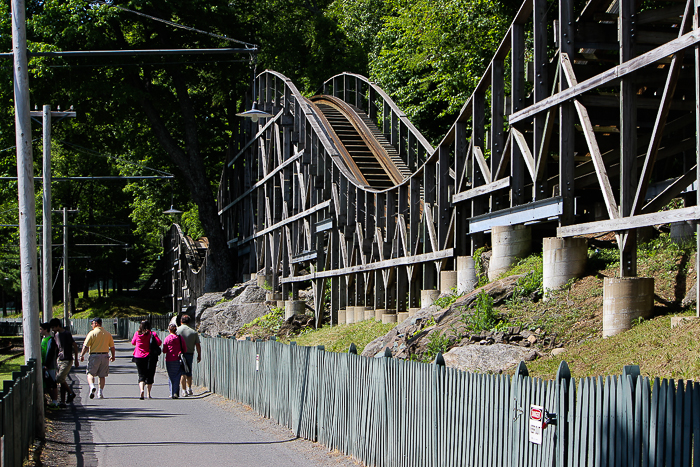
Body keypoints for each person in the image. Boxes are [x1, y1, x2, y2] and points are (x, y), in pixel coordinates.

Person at [79, 317, 116, 399]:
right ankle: (100, 392)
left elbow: (86, 346)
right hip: (105, 355)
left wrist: (82, 355)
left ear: (96, 323)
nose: (91, 325)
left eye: (92, 323)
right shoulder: (107, 334)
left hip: (94, 355)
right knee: (102, 375)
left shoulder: (92, 333)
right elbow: (112, 347)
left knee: (90, 373)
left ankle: (92, 386)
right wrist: (113, 356)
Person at [49, 318, 79, 406]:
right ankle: (62, 401)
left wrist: (76, 359)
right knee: (63, 380)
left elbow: (75, 345)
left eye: (54, 327)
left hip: (67, 359)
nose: (53, 329)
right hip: (59, 359)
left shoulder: (66, 334)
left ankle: (71, 393)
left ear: (58, 326)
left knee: (59, 378)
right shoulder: (56, 334)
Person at [131, 320, 161, 400]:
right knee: (150, 374)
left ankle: (142, 390)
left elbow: (133, 342)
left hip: (138, 356)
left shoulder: (137, 333)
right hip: (150, 356)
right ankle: (148, 394)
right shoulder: (152, 334)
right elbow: (159, 343)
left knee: (141, 375)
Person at [176, 314, 201, 396]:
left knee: (182, 372)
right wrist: (199, 355)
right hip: (189, 353)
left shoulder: (177, 331)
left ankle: (183, 390)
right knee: (189, 371)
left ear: (181, 321)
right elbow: (197, 344)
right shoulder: (193, 332)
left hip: (179, 354)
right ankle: (189, 388)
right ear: (189, 322)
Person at [162, 323, 186, 399]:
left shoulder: (167, 338)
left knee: (170, 375)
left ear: (169, 330)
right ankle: (175, 392)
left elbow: (164, 350)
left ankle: (171, 392)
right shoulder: (180, 338)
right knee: (177, 375)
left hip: (169, 359)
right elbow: (184, 348)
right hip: (178, 359)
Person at [40, 322, 59, 408]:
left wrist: (46, 364)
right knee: (47, 383)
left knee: (52, 383)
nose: (40, 331)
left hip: (49, 366)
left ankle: (55, 401)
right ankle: (49, 400)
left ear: (46, 330)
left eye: (41, 329)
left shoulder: (50, 340)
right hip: (44, 364)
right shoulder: (43, 339)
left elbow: (50, 353)